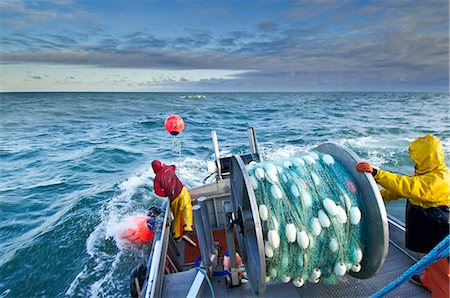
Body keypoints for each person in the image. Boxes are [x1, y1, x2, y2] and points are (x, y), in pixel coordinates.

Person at [356, 134, 449, 296]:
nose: (414, 163)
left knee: (440, 268)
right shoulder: (428, 173)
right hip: (428, 229)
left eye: (417, 159)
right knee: (428, 258)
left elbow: (408, 187)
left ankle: (442, 292)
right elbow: (398, 191)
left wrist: (377, 174)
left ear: (426, 158)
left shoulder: (439, 180)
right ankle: (428, 281)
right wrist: (374, 196)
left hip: (438, 232)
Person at [152, 160, 193, 240]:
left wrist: (167, 193)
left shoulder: (156, 178)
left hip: (173, 197)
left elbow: (158, 192)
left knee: (177, 215)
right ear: (161, 164)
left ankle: (176, 235)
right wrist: (165, 165)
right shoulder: (168, 168)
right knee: (186, 206)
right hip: (181, 191)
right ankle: (188, 227)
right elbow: (174, 167)